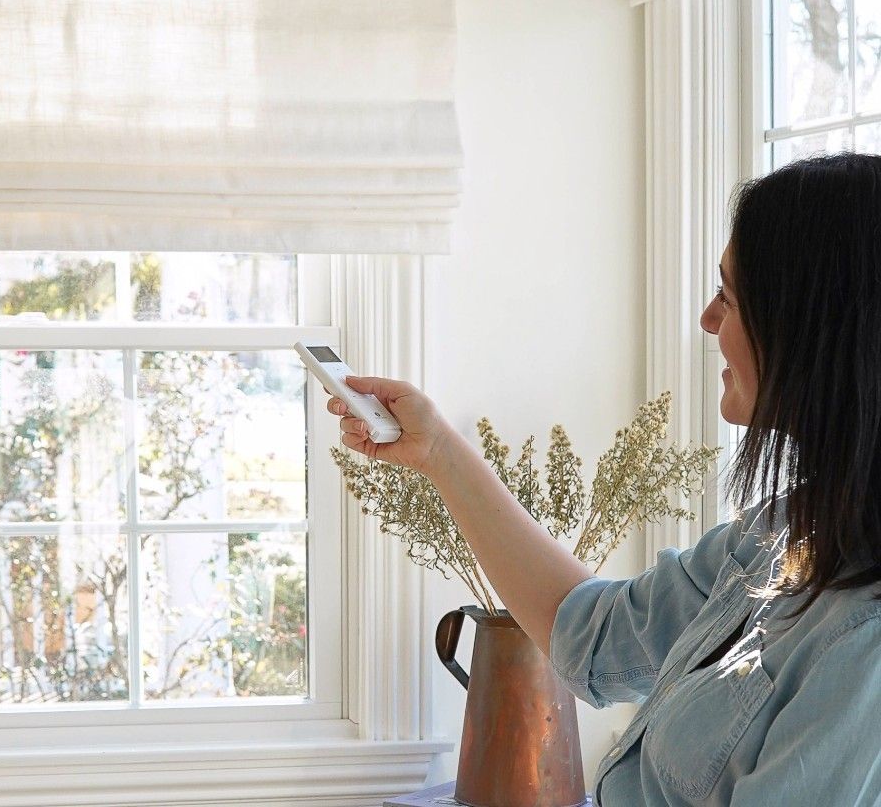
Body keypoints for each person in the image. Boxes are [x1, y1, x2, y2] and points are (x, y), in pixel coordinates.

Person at [328, 153, 881, 806]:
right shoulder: (785, 534)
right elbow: (594, 637)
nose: (707, 319)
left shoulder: (863, 647)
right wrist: (439, 454)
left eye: (729, 297)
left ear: (815, 332)